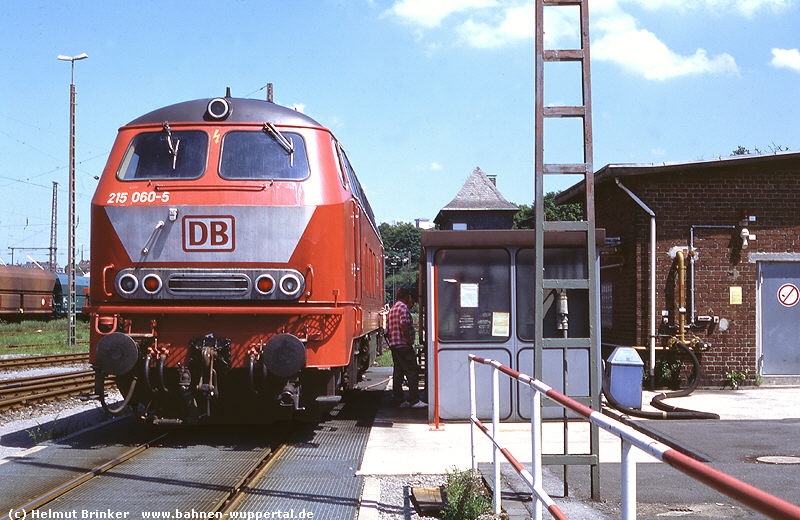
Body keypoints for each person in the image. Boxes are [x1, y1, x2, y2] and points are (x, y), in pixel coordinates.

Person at [387, 287, 427, 408]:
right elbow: (403, 323)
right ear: (406, 297)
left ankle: (399, 400)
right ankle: (414, 400)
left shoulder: (392, 309)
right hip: (404, 345)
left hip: (394, 346)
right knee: (412, 371)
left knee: (398, 372)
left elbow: (387, 329)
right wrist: (408, 340)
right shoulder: (403, 308)